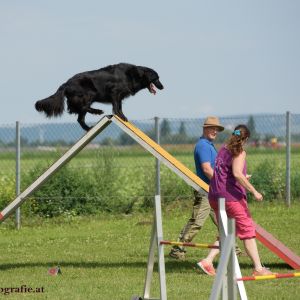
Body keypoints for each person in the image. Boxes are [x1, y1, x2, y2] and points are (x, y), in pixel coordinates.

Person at [196, 124, 274, 276]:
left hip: (214, 196)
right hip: (230, 198)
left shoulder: (223, 149)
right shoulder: (239, 151)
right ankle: (258, 269)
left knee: (226, 232)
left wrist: (242, 177)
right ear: (245, 139)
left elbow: (225, 173)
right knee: (248, 231)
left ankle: (208, 261)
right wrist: (254, 191)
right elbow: (237, 173)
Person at [169, 116, 224, 260]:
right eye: (212, 128)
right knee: (197, 222)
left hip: (213, 190)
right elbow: (206, 169)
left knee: (223, 221)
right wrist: (221, 183)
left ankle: (232, 248)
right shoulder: (203, 146)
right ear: (205, 128)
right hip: (205, 190)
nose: (215, 131)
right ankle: (177, 248)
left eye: (217, 129)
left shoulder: (210, 145)